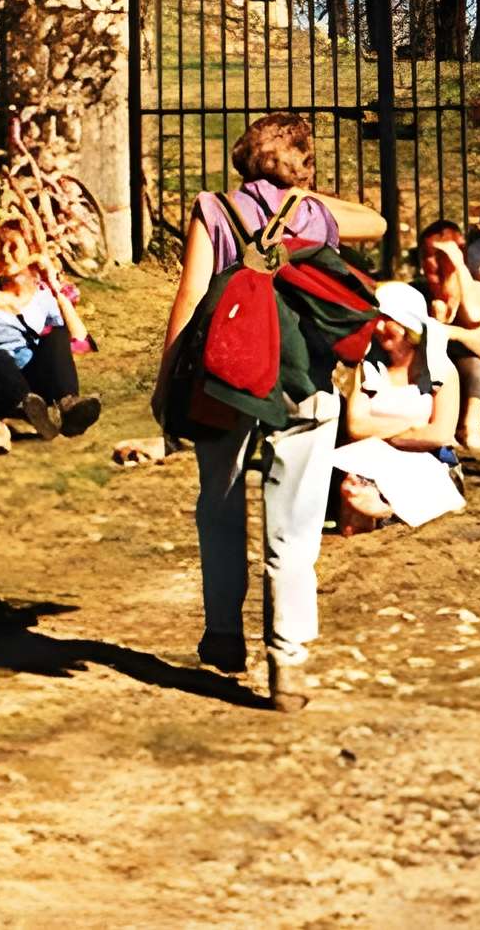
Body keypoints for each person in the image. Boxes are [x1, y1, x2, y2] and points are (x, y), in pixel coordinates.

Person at [160, 110, 387, 712]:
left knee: (219, 503)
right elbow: (379, 222)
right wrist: (304, 192)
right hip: (302, 377)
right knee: (296, 525)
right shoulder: (317, 215)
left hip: (226, 377)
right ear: (304, 165)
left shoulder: (214, 209)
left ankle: (223, 633)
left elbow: (190, 298)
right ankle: (288, 662)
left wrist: (167, 384)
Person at [0, 220, 100, 448]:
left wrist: (55, 287)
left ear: (30, 253)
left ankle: (68, 406)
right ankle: (26, 409)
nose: (5, 255)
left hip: (25, 374)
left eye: (12, 247)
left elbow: (80, 341)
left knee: (57, 335)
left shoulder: (42, 296)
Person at [328, 280, 466, 531]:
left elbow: (440, 434)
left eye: (388, 320)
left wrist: (381, 433)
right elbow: (356, 426)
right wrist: (414, 427)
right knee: (353, 493)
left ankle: (387, 511)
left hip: (425, 460)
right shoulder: (368, 368)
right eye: (376, 319)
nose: (379, 327)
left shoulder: (442, 372)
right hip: (369, 458)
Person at [415, 219, 480, 456]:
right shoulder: (416, 294)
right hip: (429, 394)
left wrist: (458, 265)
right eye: (430, 255)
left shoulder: (479, 290)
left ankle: (470, 428)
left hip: (474, 396)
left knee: (477, 355)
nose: (436, 263)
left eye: (443, 255)